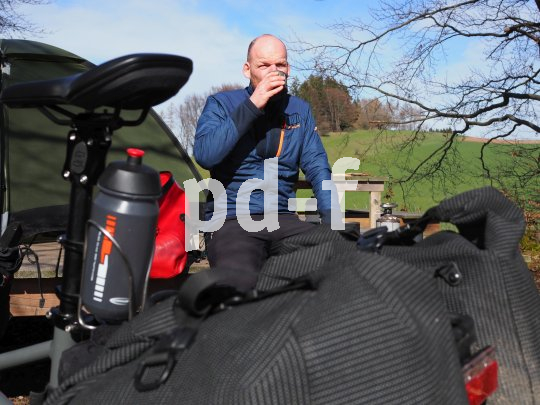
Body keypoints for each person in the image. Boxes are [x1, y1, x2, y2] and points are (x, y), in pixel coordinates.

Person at [194, 34, 335, 284]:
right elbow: (206, 155)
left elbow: (317, 167)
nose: (274, 71)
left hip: (283, 218)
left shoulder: (299, 110)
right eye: (264, 65)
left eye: (280, 64)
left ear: (288, 69)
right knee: (238, 285)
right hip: (232, 218)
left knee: (340, 263)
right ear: (247, 69)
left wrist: (333, 220)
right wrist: (253, 104)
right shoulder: (221, 104)